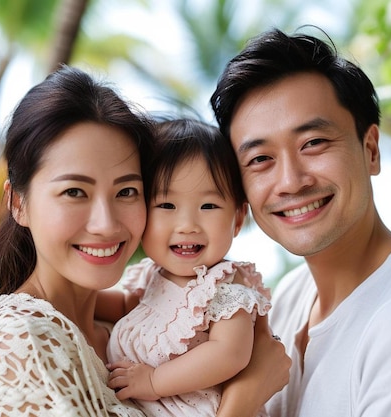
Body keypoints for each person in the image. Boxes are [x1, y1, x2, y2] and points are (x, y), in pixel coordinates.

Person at [0, 66, 289, 416]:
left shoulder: (125, 323)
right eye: (74, 191)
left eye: (126, 191)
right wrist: (244, 399)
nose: (105, 224)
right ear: (18, 203)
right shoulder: (20, 340)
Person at [210, 27, 391, 417]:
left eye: (313, 143)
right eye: (260, 159)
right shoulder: (291, 296)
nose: (291, 181)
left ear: (371, 150)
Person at [97, 118, 272, 417]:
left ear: (239, 218)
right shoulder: (152, 274)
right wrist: (84, 299)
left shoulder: (226, 283)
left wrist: (154, 381)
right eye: (166, 206)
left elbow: (229, 353)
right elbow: (130, 305)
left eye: (208, 206)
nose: (187, 225)